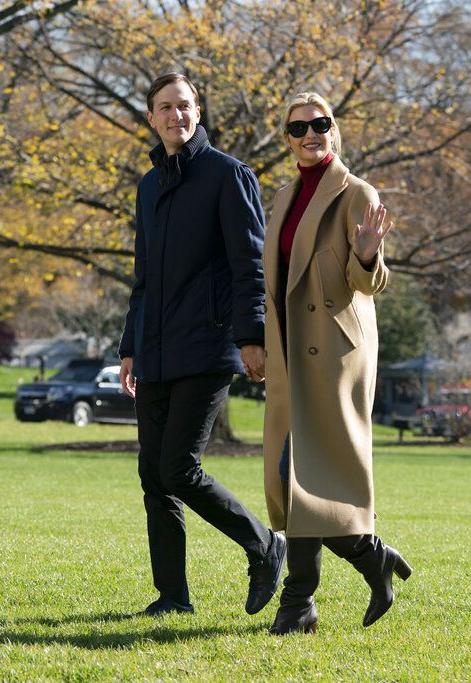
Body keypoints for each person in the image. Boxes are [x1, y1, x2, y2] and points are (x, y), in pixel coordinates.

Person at [118, 73, 286, 618]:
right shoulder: (148, 185)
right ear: (150, 117)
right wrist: (129, 346)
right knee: (153, 474)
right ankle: (172, 596)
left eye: (184, 106)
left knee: (179, 468)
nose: (176, 116)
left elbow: (250, 263)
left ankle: (264, 545)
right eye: (164, 108)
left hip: (209, 346)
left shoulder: (228, 174)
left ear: (198, 110)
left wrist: (252, 337)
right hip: (155, 350)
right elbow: (143, 277)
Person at [261, 92, 412, 635]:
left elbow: (369, 284)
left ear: (334, 130)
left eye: (320, 124)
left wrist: (368, 252)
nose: (310, 135)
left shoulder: (356, 193)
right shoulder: (280, 197)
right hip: (289, 351)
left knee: (304, 475)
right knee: (289, 480)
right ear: (286, 137)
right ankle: (372, 560)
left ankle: (298, 602)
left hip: (334, 354)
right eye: (298, 127)